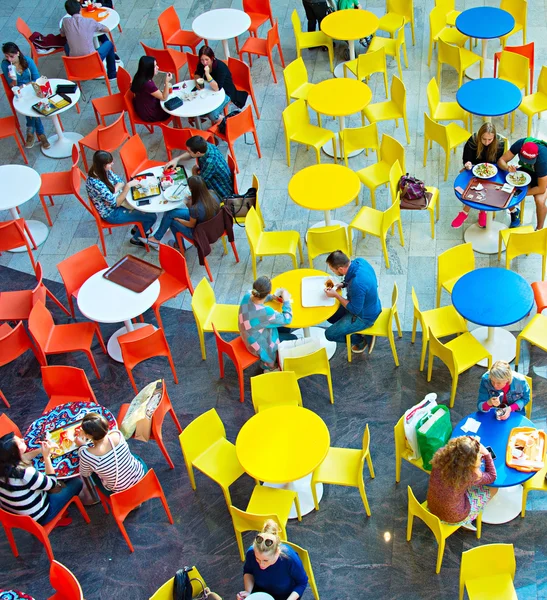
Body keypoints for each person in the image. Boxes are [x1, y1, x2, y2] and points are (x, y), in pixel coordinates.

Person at [0, 432, 82, 526]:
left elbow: (23, 457)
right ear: (15, 453)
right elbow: (52, 483)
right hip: (41, 516)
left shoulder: (4, 464)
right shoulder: (25, 473)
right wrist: (46, 457)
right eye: (20, 443)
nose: (23, 440)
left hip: (17, 516)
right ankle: (57, 517)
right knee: (77, 482)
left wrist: (41, 451)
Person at [85, 150, 156, 247]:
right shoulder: (95, 183)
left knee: (146, 206)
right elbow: (115, 203)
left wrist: (113, 192)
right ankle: (135, 239)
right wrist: (126, 187)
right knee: (152, 217)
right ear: (103, 165)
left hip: (116, 203)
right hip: (111, 213)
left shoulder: (103, 170)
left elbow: (120, 182)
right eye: (110, 163)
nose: (112, 164)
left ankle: (136, 229)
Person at [427, 436, 497, 530]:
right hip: (454, 516)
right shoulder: (471, 475)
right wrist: (487, 454)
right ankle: (467, 520)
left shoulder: (441, 454)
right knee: (494, 489)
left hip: (432, 505)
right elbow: (492, 476)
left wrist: (467, 443)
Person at [75, 413, 147, 495]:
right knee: (132, 456)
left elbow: (85, 473)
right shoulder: (117, 434)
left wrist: (82, 446)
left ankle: (131, 499)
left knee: (93, 474)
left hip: (119, 491)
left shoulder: (87, 455)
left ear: (88, 435)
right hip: (141, 475)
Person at [324, 250, 381, 354]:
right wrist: (343, 284)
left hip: (364, 317)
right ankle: (353, 330)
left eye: (333, 270)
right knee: (330, 315)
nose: (333, 272)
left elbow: (354, 309)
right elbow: (352, 280)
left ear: (340, 269)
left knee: (329, 334)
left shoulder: (357, 283)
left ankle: (360, 340)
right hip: (371, 305)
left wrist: (336, 295)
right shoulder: (360, 262)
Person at [451, 123, 506, 229]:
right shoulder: (472, 141)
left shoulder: (500, 143)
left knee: (484, 188)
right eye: (484, 139)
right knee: (473, 187)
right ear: (479, 136)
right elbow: (466, 159)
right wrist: (467, 164)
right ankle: (474, 212)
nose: (486, 142)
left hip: (492, 171)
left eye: (490, 140)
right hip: (474, 170)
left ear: (494, 138)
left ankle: (468, 213)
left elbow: (498, 162)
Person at [238, 519, 308, 600]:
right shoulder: (251, 552)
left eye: (265, 560)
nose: (261, 564)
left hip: (285, 596)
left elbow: (302, 583)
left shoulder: (289, 558)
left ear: (277, 553)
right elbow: (248, 571)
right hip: (260, 594)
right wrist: (248, 593)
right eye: (257, 559)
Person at [238, 276, 296, 372]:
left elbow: (259, 299)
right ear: (268, 292)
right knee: (293, 337)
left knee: (285, 329)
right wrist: (286, 301)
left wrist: (272, 297)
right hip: (257, 346)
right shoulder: (266, 312)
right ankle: (271, 366)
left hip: (246, 335)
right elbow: (287, 319)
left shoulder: (247, 295)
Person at [1, 42, 50, 149]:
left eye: (11, 56)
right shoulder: (5, 65)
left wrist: (23, 86)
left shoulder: (28, 61)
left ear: (18, 53)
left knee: (31, 109)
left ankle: (30, 131)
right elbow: (11, 85)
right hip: (19, 93)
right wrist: (13, 79)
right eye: (6, 56)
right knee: (32, 108)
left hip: (32, 90)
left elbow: (36, 79)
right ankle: (41, 135)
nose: (9, 59)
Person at [148, 175, 220, 245]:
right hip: (212, 226)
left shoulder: (194, 208)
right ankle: (157, 238)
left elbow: (191, 224)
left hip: (198, 232)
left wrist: (179, 219)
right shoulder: (212, 193)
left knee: (173, 221)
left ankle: (179, 245)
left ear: (192, 190)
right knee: (170, 213)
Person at [61, 0, 117, 81]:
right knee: (109, 44)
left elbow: (62, 34)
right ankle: (112, 74)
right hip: (93, 60)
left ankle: (76, 69)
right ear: (80, 8)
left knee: (67, 45)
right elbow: (106, 29)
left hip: (75, 61)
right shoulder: (89, 21)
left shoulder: (65, 22)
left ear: (68, 12)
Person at [498, 137, 547, 230]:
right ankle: (514, 212)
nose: (525, 162)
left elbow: (541, 188)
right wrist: (507, 167)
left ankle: (539, 229)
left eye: (529, 161)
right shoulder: (520, 144)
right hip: (527, 172)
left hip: (543, 177)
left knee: (540, 201)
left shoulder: (542, 160)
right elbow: (501, 161)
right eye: (524, 159)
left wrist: (520, 193)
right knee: (505, 187)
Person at [165, 136, 234, 200]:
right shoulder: (205, 146)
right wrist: (177, 159)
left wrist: (194, 172)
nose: (188, 152)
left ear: (198, 153)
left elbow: (199, 183)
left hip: (220, 192)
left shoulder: (210, 162)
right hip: (209, 178)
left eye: (189, 151)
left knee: (186, 196)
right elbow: (191, 154)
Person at [194, 46, 247, 124]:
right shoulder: (201, 64)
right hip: (211, 91)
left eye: (206, 60)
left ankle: (229, 124)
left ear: (212, 58)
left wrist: (207, 74)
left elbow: (217, 88)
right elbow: (197, 74)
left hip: (226, 92)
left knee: (212, 115)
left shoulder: (220, 67)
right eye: (202, 60)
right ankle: (201, 117)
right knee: (197, 106)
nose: (204, 62)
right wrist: (197, 81)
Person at [130, 56, 172, 123]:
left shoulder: (139, 76)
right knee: (172, 107)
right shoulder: (148, 84)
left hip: (142, 108)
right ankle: (176, 126)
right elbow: (164, 97)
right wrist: (167, 82)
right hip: (150, 114)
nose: (158, 67)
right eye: (155, 66)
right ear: (149, 69)